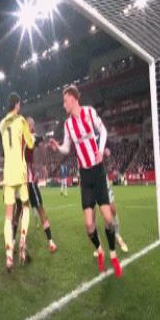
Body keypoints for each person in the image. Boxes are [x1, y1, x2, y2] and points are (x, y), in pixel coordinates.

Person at [49, 85, 122, 278]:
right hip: (85, 176)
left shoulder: (89, 112)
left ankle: (113, 254)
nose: (64, 104)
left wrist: (100, 150)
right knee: (89, 225)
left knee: (108, 219)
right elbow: (67, 148)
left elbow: (103, 131)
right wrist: (58, 147)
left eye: (65, 101)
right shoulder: (68, 125)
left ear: (73, 99)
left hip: (98, 172)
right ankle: (100, 250)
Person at [0, 93, 34, 271]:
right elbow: (30, 144)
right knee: (26, 207)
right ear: (17, 104)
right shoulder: (21, 121)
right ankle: (22, 240)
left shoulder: (1, 124)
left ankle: (8, 256)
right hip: (20, 171)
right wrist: (31, 136)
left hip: (7, 173)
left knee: (8, 216)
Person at [14, 117, 57, 253]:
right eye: (30, 125)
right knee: (40, 209)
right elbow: (38, 138)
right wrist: (48, 139)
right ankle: (50, 242)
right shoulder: (29, 136)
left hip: (18, 180)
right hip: (28, 180)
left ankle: (14, 241)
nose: (31, 127)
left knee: (19, 211)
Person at [93, 148, 128, 256]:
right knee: (92, 217)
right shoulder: (83, 148)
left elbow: (109, 164)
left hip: (104, 183)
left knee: (113, 211)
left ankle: (117, 235)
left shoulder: (99, 145)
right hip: (91, 185)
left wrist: (107, 155)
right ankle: (98, 246)